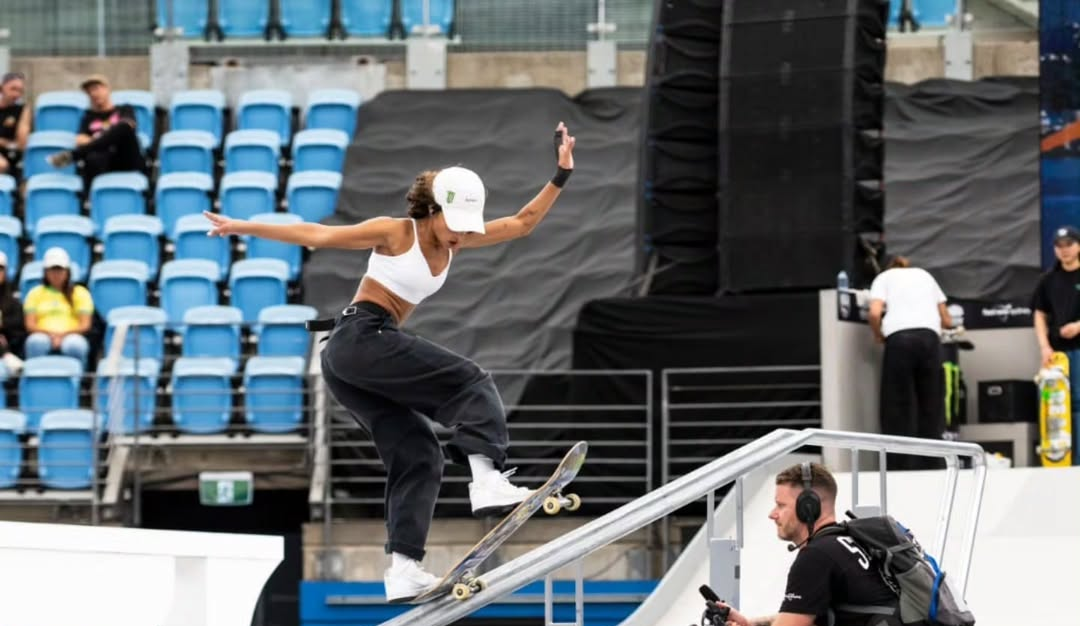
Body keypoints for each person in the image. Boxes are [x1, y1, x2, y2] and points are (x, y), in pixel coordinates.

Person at [203, 122, 577, 602]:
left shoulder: (457, 237)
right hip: (361, 337)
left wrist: (561, 175)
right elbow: (317, 233)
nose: (460, 237)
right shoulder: (396, 232)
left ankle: (403, 569)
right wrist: (242, 226)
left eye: (466, 228)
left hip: (351, 362)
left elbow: (522, 223)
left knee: (418, 452)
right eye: (454, 226)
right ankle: (486, 480)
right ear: (433, 210)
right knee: (470, 383)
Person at [718, 462, 899, 626]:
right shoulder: (847, 542)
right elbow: (799, 613)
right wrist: (749, 624)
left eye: (781, 505)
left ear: (808, 507)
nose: (772, 514)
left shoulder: (816, 556)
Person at [867, 256, 952, 470]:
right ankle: (932, 463)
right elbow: (947, 319)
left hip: (899, 339)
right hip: (929, 339)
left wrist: (878, 335)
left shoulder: (883, 277)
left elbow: (874, 313)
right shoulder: (925, 275)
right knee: (931, 403)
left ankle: (899, 465)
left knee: (897, 404)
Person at [1031, 224, 1080, 458]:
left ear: (1078, 246)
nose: (1064, 250)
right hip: (1058, 354)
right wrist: (1044, 347)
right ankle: (1062, 459)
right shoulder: (1048, 280)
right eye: (1059, 246)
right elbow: (1039, 314)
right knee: (1056, 405)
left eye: (1069, 244)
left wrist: (1078, 326)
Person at [47, 74, 145, 189]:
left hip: (125, 157)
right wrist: (107, 138)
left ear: (107, 89)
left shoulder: (124, 109)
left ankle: (73, 155)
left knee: (123, 128)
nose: (93, 94)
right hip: (103, 161)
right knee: (92, 157)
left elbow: (128, 126)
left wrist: (97, 137)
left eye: (96, 88)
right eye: (89, 92)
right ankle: (89, 196)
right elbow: (80, 140)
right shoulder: (88, 117)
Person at [23, 247, 94, 366]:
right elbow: (30, 324)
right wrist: (50, 334)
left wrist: (63, 334)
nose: (56, 274)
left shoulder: (80, 293)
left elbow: (85, 324)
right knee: (36, 342)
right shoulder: (35, 293)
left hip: (72, 335)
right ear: (46, 272)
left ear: (67, 272)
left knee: (75, 345)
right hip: (42, 334)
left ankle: (76, 376)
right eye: (52, 270)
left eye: (60, 270)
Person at [0, 71, 31, 175]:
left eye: (20, 91)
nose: (16, 94)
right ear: (2, 88)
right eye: (13, 89)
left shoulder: (22, 110)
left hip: (11, 157)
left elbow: (22, 143)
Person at [0, 251, 25, 376]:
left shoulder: (13, 301)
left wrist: (2, 325)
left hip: (9, 343)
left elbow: (19, 327)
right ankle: (6, 356)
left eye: (0, 269)